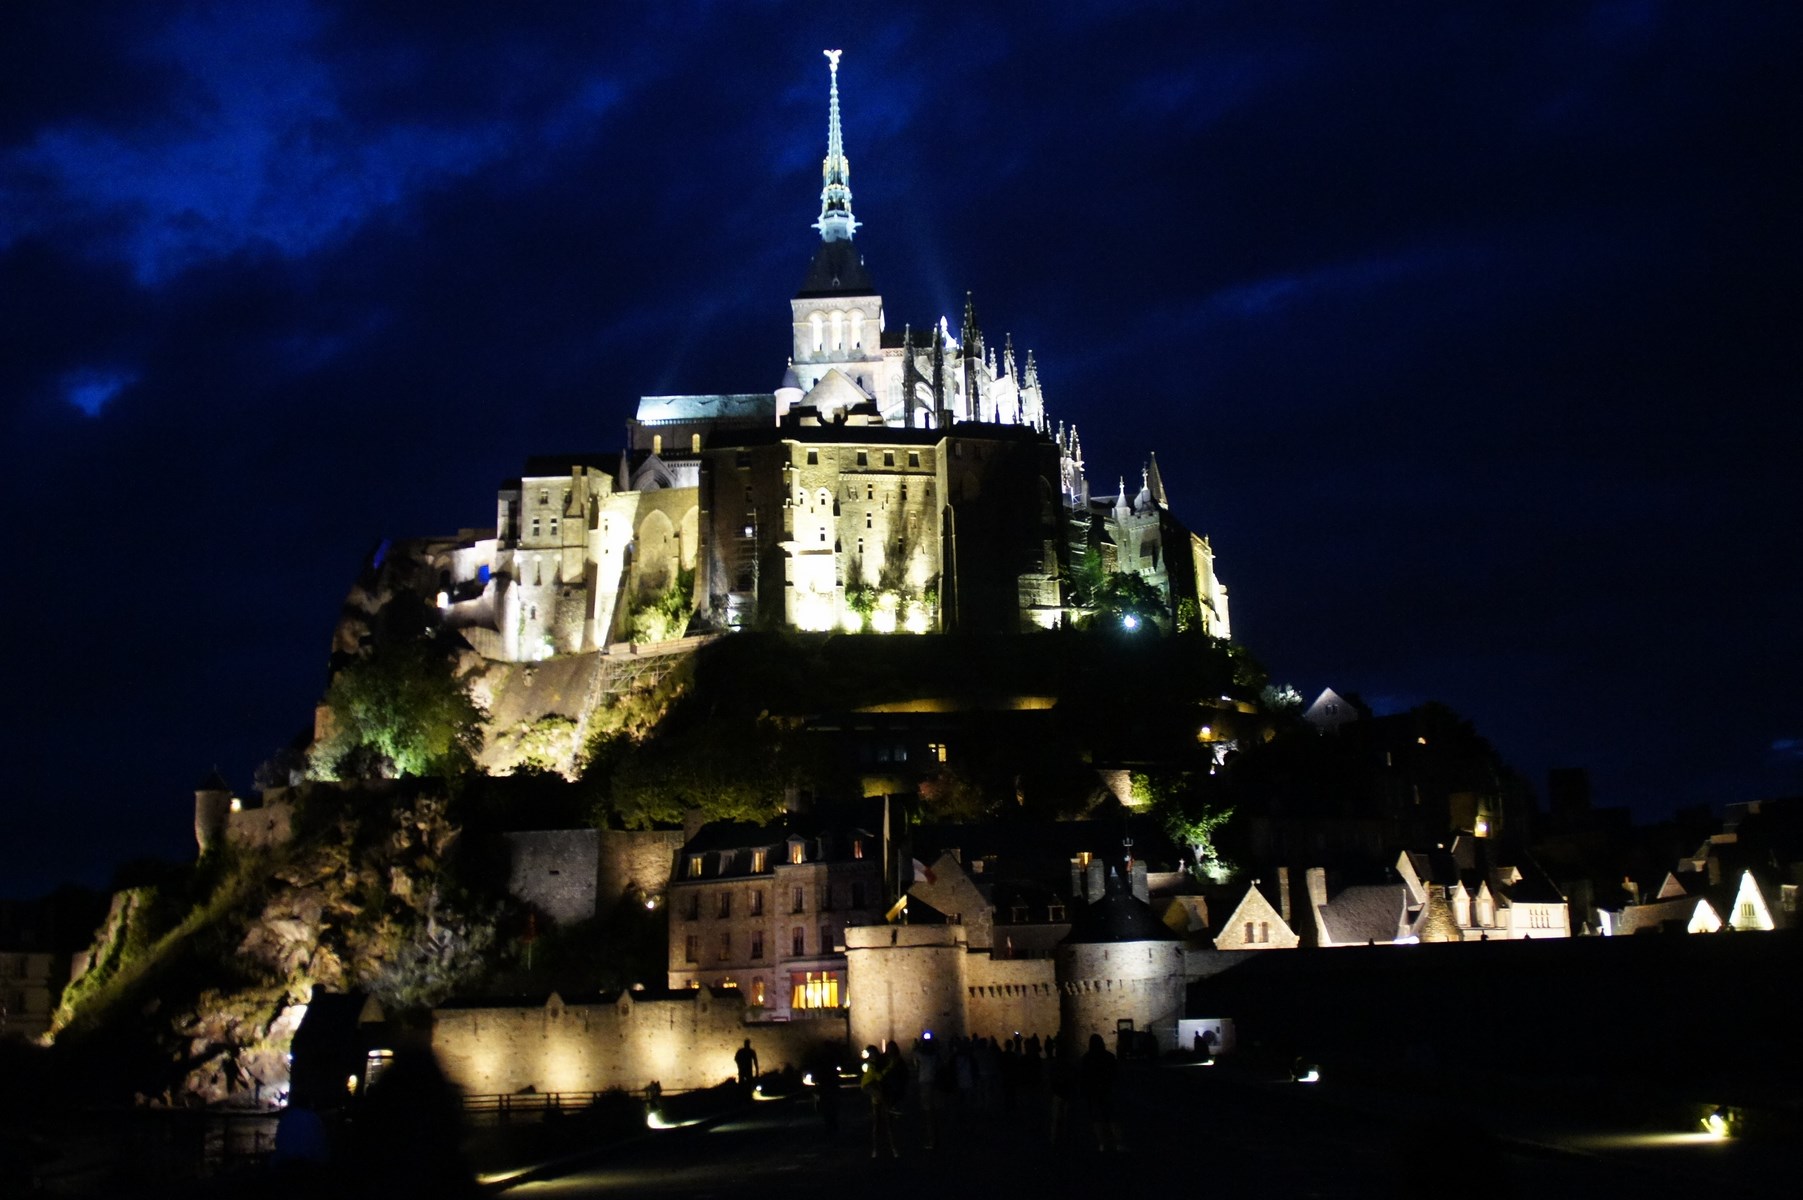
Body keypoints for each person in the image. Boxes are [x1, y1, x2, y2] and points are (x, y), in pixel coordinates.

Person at [1079, 1033, 1121, 1152]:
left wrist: (1084, 1091)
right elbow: (1115, 1074)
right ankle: (1117, 1142)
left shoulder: (1086, 1058)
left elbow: (1083, 1076)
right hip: (1107, 1090)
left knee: (1097, 1118)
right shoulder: (1109, 1057)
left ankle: (1102, 1143)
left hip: (1093, 1092)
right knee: (1111, 1117)